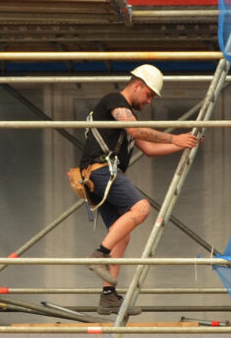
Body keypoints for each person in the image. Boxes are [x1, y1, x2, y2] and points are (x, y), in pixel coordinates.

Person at [79, 64, 199, 315]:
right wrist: (173, 138)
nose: (149, 100)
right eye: (149, 94)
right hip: (101, 172)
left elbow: (150, 150)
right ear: (137, 85)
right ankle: (99, 255)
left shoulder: (128, 117)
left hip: (101, 175)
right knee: (141, 207)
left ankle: (108, 296)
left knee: (122, 234)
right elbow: (135, 130)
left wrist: (182, 144)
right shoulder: (115, 101)